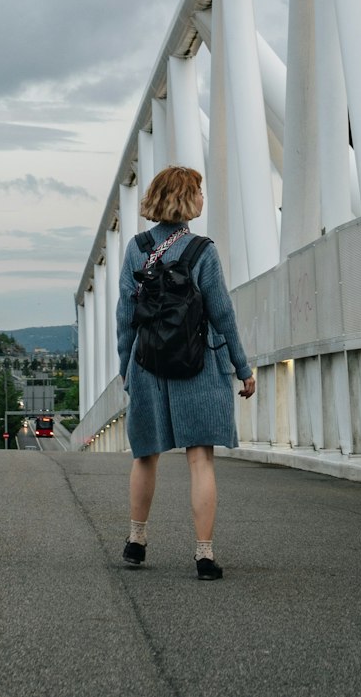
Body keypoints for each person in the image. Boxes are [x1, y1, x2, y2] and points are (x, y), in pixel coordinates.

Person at [116, 164, 255, 580]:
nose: (202, 197)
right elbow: (223, 315)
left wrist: (127, 368)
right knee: (200, 460)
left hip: (148, 365)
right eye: (199, 190)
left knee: (145, 456)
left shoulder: (136, 249)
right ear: (188, 199)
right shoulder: (202, 251)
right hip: (196, 366)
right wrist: (242, 367)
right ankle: (204, 555)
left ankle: (136, 543)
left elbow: (125, 317)